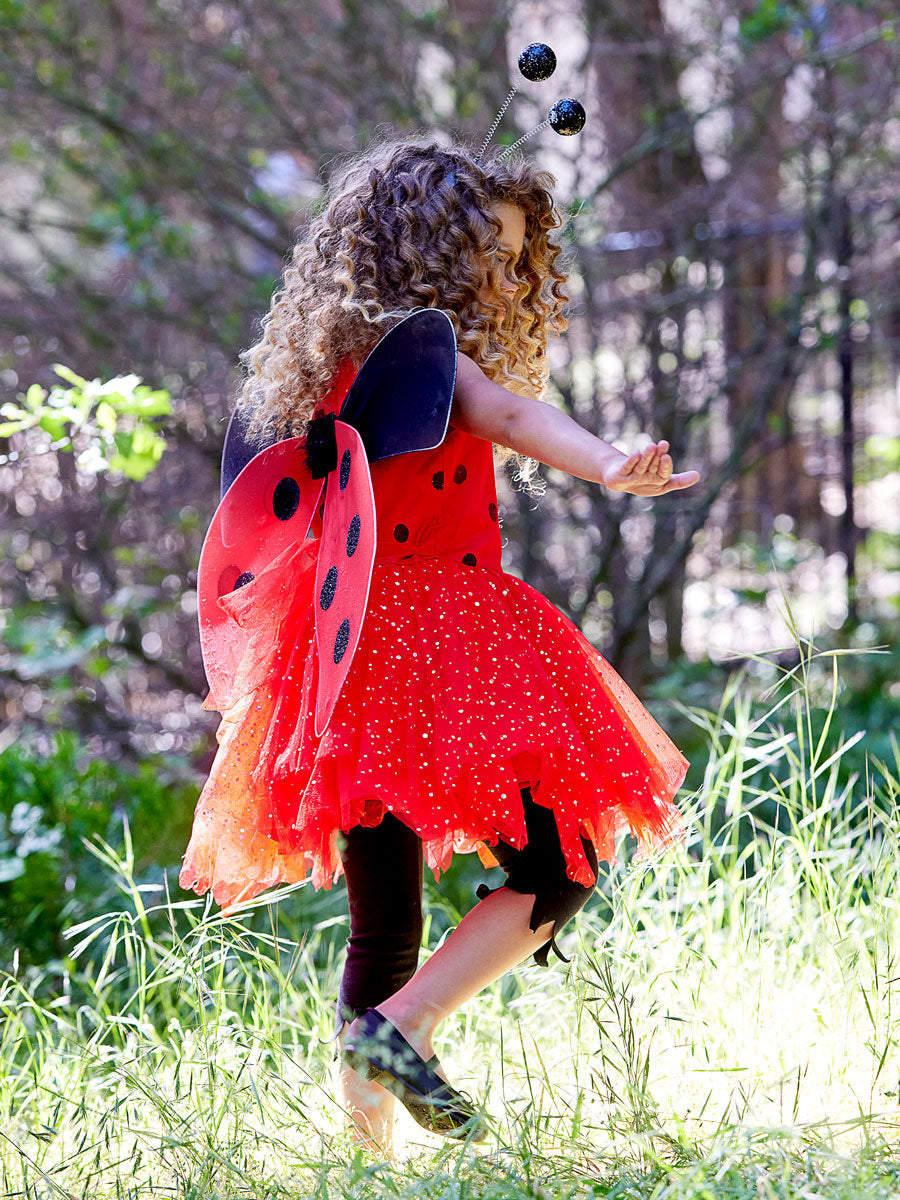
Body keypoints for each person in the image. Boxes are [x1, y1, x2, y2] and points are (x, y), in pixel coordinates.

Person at [179, 137, 700, 1156]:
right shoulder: (429, 362)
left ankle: (367, 1152)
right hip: (446, 637)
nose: (509, 278)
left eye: (517, 259)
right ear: (426, 251)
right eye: (492, 257)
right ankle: (404, 1027)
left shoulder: (313, 377)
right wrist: (608, 465)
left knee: (384, 921)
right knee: (562, 866)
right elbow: (507, 412)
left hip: (340, 658)